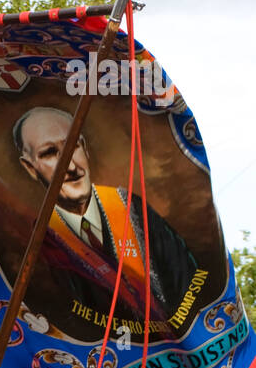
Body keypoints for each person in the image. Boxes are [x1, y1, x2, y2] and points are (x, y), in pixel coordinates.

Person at [15, 105, 198, 333]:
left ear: (85, 147)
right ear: (30, 168)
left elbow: (189, 281)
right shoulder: (38, 247)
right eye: (50, 153)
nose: (71, 166)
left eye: (74, 146)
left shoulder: (131, 208)